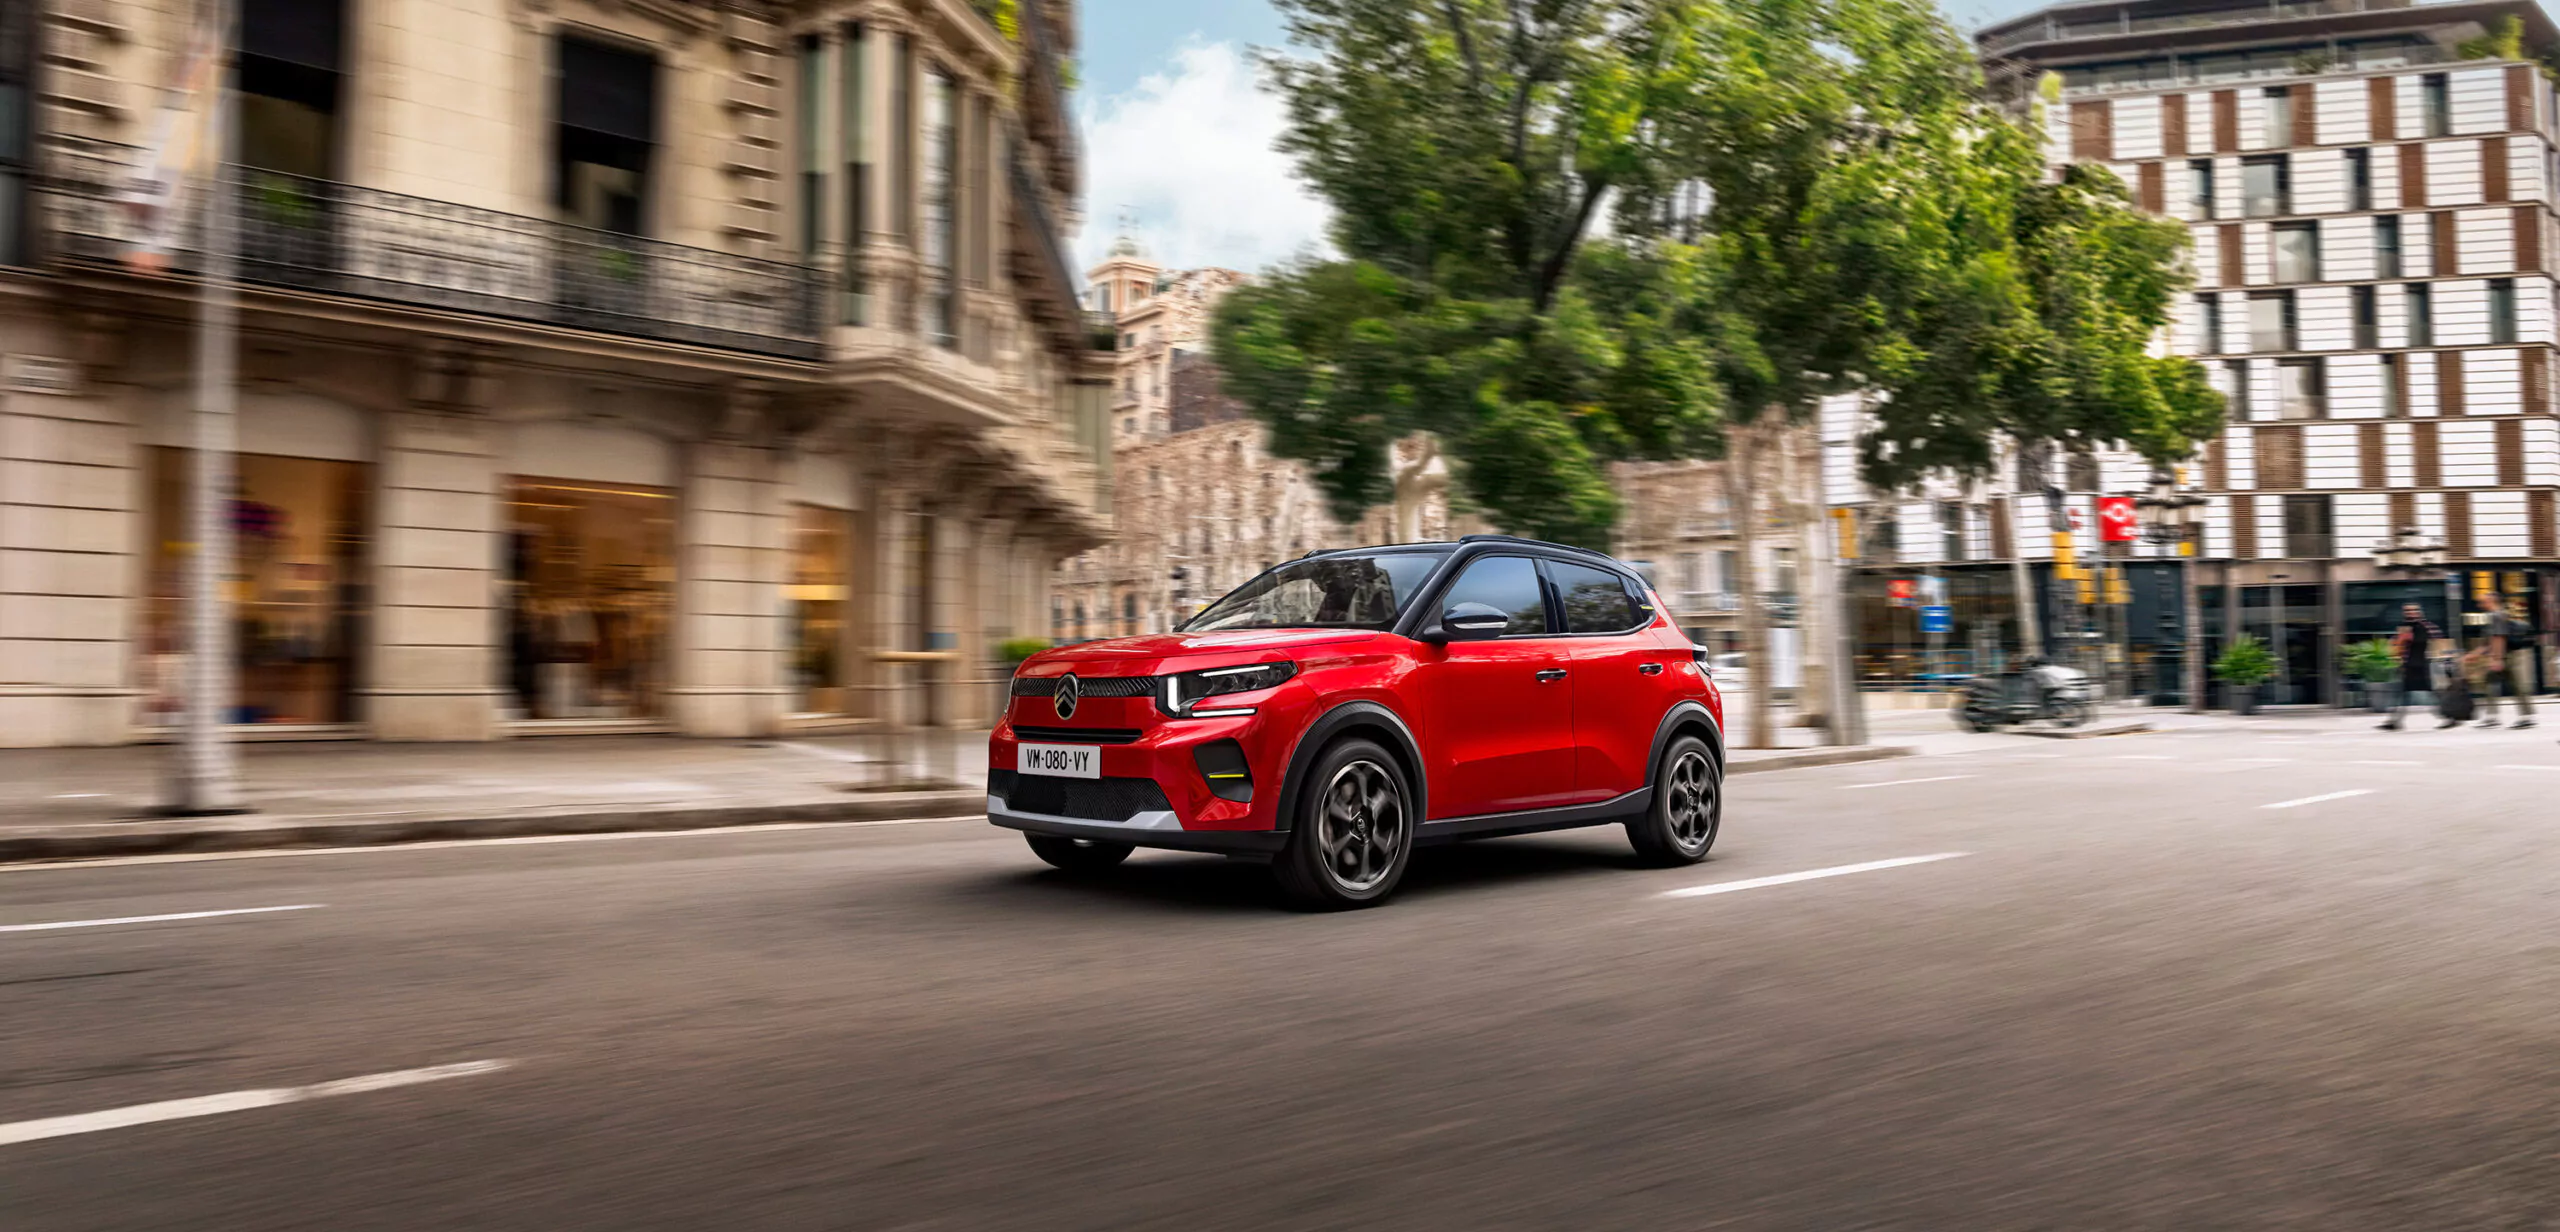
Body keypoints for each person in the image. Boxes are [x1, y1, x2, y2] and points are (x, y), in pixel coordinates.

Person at [2477, 597, 2536, 730]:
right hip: (2505, 655)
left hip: (2506, 657)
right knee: (2495, 683)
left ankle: (2523, 717)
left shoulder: (2497, 616)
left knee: (2514, 685)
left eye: (2483, 601)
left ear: (2492, 601)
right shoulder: (2500, 615)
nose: (2480, 604)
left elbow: (2499, 638)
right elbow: (2493, 640)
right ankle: (2522, 717)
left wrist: (2497, 659)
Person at [2381, 603, 2441, 731]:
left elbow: (2436, 641)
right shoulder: (2404, 627)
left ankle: (2447, 716)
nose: (2410, 613)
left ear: (2419, 612)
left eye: (2413, 610)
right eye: (2407, 611)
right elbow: (2397, 645)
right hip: (2409, 665)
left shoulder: (2426, 626)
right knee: (2402, 693)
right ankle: (2394, 721)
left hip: (2422, 665)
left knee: (2430, 693)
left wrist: (2408, 638)